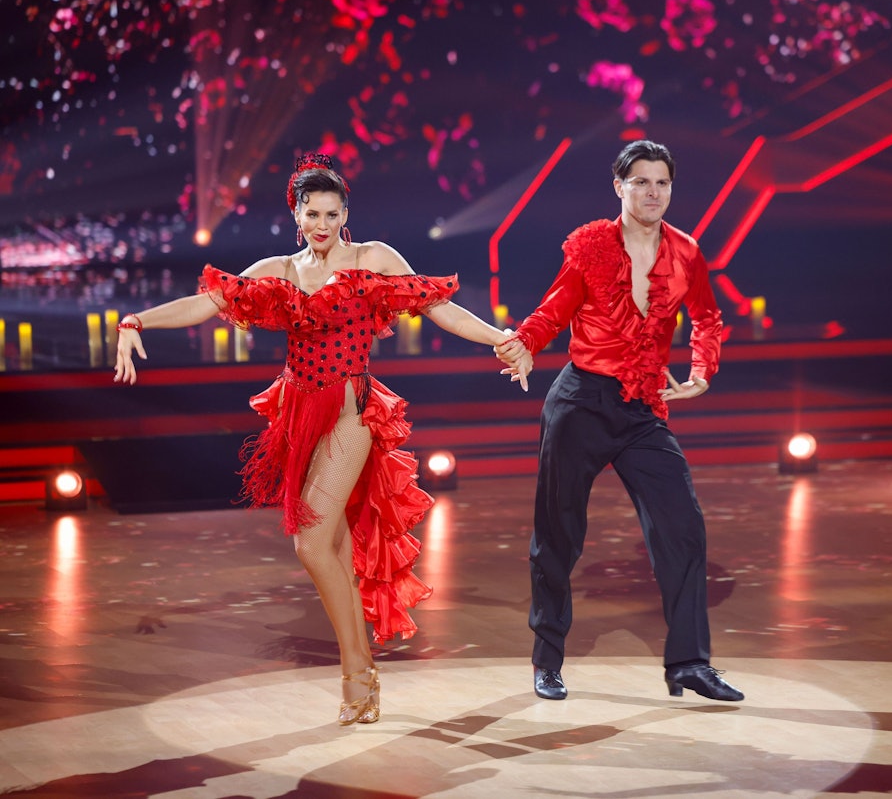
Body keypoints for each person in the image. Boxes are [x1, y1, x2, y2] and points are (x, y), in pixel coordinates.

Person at [114, 152, 533, 726]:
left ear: (345, 215)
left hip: (349, 411)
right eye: (312, 214)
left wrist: (499, 338)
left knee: (309, 544)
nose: (322, 225)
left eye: (332, 214)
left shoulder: (372, 259)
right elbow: (207, 303)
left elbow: (440, 308)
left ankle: (357, 670)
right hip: (297, 413)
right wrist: (135, 320)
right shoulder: (280, 271)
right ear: (296, 213)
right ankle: (361, 676)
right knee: (330, 549)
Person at [496, 139, 744, 703]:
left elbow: (707, 317)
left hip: (642, 408)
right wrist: (525, 344)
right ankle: (547, 661)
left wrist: (702, 369)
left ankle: (689, 663)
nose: (653, 192)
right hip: (581, 401)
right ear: (619, 187)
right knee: (558, 535)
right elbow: (554, 309)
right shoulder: (590, 245)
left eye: (662, 183)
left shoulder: (686, 251)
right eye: (641, 182)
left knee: (683, 526)